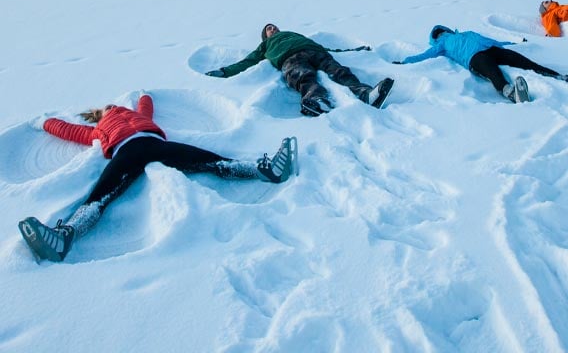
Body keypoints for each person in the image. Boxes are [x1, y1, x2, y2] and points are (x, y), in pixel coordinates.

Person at [19, 93, 298, 262]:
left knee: (211, 161)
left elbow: (146, 108)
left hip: (156, 144)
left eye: (112, 106)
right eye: (105, 109)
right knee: (100, 196)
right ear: (98, 115)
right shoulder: (98, 128)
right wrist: (43, 122)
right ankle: (64, 237)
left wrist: (143, 96)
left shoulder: (136, 115)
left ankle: (265, 170)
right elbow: (68, 130)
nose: (110, 108)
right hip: (126, 151)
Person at [206, 23, 394, 116]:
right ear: (265, 36)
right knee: (303, 77)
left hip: (315, 51)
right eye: (269, 29)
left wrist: (354, 50)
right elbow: (248, 62)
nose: (273, 29)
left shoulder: (294, 35)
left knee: (339, 71)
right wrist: (225, 71)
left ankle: (366, 95)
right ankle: (314, 101)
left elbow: (329, 48)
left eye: (274, 27)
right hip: (290, 58)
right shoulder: (265, 46)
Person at [393, 25, 567, 103]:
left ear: (446, 29)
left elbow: (491, 40)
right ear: (435, 38)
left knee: (522, 61)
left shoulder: (467, 33)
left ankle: (556, 75)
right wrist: (404, 62)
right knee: (493, 73)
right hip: (474, 58)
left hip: (490, 48)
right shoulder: (441, 45)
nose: (440, 34)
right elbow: (423, 56)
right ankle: (511, 94)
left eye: (440, 30)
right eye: (437, 33)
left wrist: (512, 44)